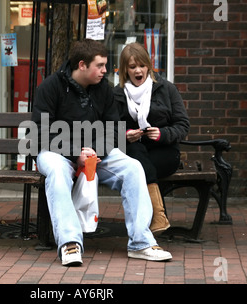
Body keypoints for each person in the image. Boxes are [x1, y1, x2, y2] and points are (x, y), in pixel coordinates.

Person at [31, 39, 172, 266]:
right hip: (56, 153)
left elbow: (115, 128)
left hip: (97, 153)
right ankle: (69, 243)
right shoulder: (50, 87)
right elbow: (39, 133)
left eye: (105, 65)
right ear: (82, 65)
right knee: (57, 173)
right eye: (100, 65)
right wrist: (76, 153)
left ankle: (141, 242)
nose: (106, 70)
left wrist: (95, 150)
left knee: (133, 167)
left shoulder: (103, 89)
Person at [113, 42, 190, 234]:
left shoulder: (166, 89)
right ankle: (157, 217)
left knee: (138, 169)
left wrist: (163, 134)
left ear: (149, 66)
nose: (138, 71)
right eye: (132, 67)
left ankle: (150, 220)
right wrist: (125, 135)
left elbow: (182, 125)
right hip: (133, 150)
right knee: (136, 160)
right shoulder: (116, 93)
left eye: (142, 65)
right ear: (125, 70)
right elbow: (109, 127)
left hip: (164, 151)